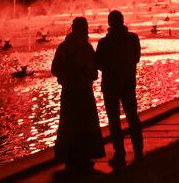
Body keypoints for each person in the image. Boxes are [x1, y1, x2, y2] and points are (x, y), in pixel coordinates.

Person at [51, 17, 104, 171]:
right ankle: (85, 155)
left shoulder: (63, 47)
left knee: (68, 124)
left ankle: (69, 156)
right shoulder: (86, 48)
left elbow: (55, 69)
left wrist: (66, 77)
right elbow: (94, 72)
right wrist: (82, 76)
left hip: (68, 91)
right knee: (86, 124)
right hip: (83, 92)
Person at [96, 10, 143, 167]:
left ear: (109, 23)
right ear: (122, 22)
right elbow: (136, 57)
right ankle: (138, 149)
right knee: (132, 116)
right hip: (128, 82)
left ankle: (120, 153)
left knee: (114, 120)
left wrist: (111, 67)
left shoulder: (104, 43)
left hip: (110, 84)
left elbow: (98, 63)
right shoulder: (132, 38)